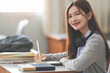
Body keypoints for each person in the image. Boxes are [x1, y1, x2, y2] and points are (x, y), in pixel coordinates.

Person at [35, 0, 110, 73]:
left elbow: (77, 65)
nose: (73, 19)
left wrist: (64, 61)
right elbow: (69, 53)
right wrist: (46, 57)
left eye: (77, 14)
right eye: (70, 16)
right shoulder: (82, 38)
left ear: (89, 15)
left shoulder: (95, 40)